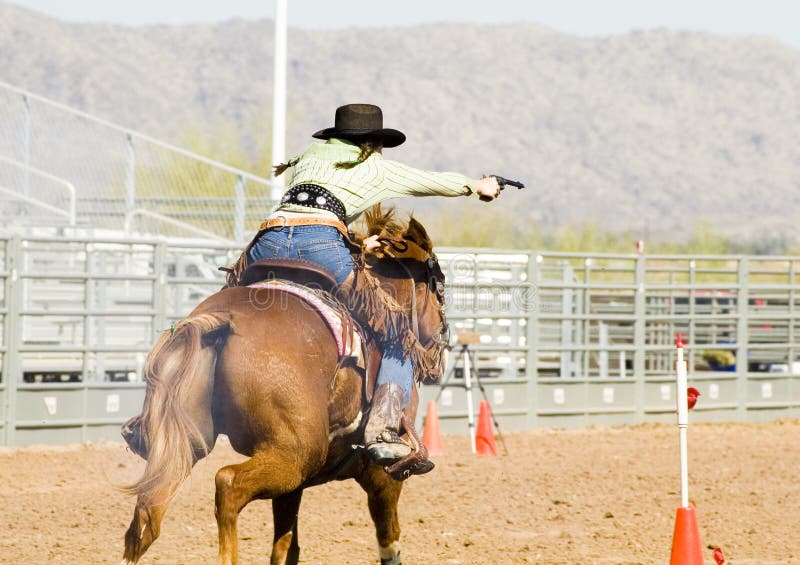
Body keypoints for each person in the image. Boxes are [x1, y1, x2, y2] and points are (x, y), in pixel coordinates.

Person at [248, 103, 499, 469]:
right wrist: (478, 186)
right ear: (372, 143)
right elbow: (428, 181)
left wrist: (351, 240)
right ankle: (382, 430)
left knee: (230, 310)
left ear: (336, 136)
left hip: (264, 243)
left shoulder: (307, 157)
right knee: (395, 330)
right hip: (320, 245)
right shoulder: (374, 167)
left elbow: (312, 207)